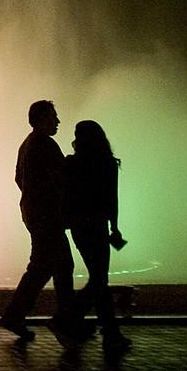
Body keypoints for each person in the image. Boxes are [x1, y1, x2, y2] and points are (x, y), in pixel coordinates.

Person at [0, 100, 86, 343]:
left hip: (34, 213)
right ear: (41, 119)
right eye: (53, 117)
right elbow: (61, 177)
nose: (57, 121)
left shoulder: (27, 144)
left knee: (47, 266)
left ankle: (24, 315)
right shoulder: (44, 144)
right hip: (47, 215)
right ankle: (63, 322)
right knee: (57, 265)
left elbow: (18, 177)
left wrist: (30, 196)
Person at [66, 119, 131, 350]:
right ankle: (75, 320)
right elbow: (112, 199)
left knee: (99, 279)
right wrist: (115, 226)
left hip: (79, 227)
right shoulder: (107, 163)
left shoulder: (73, 163)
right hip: (98, 226)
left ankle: (103, 329)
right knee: (99, 278)